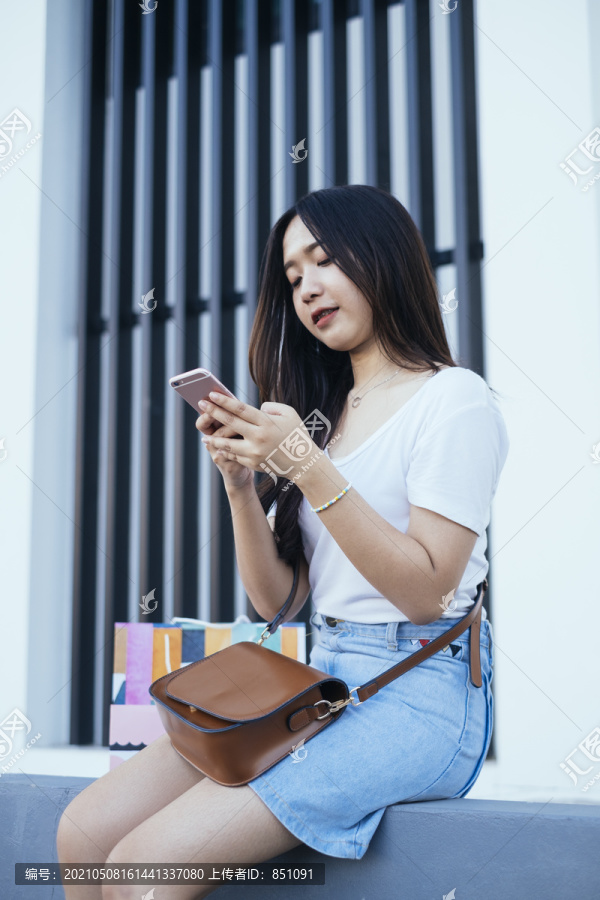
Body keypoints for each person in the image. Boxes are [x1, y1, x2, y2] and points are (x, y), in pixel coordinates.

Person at [57, 184, 509, 898]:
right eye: (293, 276)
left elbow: (428, 594)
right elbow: (280, 599)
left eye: (323, 259)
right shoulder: (323, 414)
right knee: (82, 836)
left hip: (418, 695)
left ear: (384, 256)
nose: (306, 288)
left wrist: (303, 461)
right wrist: (241, 486)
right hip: (319, 677)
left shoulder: (453, 399)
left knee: (144, 872)